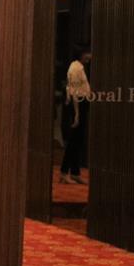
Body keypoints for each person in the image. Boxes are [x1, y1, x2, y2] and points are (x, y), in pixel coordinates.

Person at [60, 48, 92, 184]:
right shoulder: (75, 68)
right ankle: (64, 172)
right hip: (78, 105)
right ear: (81, 54)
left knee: (78, 140)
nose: (90, 56)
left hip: (80, 104)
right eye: (88, 53)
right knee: (74, 140)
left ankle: (74, 172)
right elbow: (74, 92)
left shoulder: (79, 67)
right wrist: (77, 114)